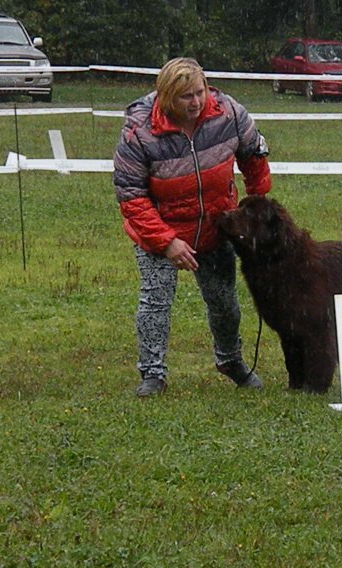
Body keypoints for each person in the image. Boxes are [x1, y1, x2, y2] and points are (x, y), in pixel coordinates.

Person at [113, 57, 271, 397]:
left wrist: (257, 208)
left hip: (216, 226)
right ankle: (152, 374)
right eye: (186, 96)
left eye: (199, 92)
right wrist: (167, 242)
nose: (196, 102)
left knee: (224, 302)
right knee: (155, 301)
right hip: (158, 229)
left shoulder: (229, 113)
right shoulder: (138, 131)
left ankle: (230, 361)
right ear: (167, 97)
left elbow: (254, 158)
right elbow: (131, 197)